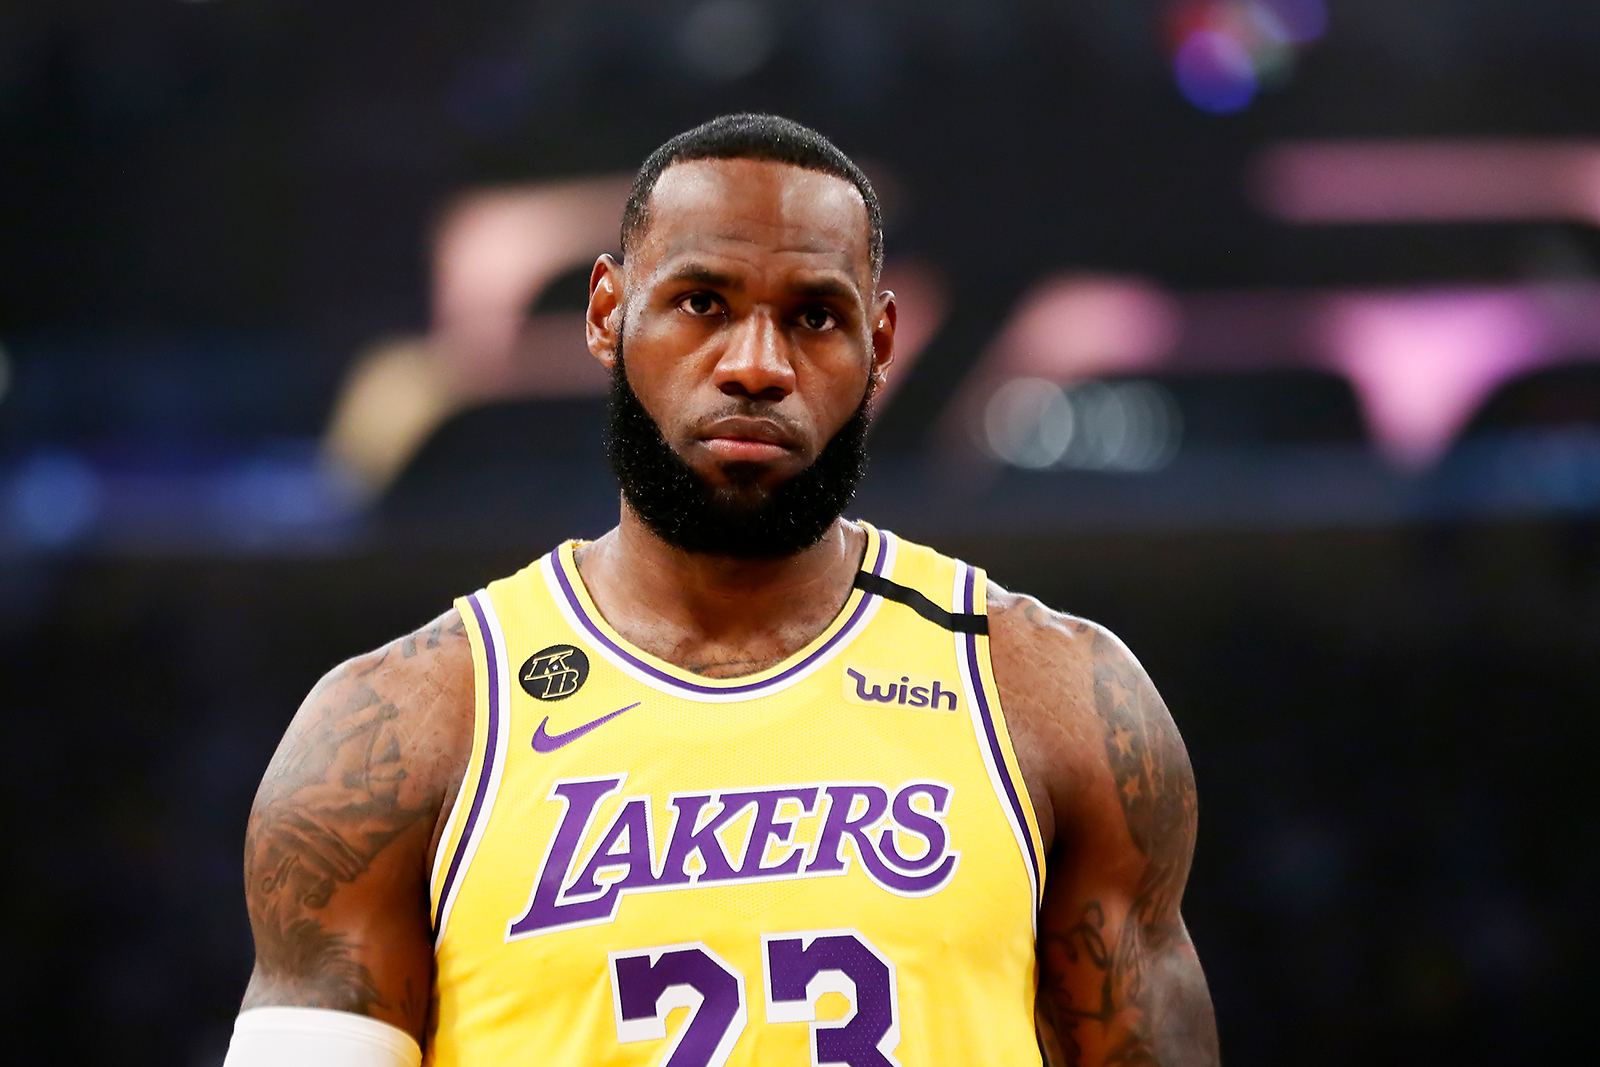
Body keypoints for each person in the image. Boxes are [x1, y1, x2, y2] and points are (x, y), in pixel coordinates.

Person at [223, 113, 1220, 1067]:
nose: (756, 364)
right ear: (609, 312)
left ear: (876, 344)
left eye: (814, 317)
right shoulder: (404, 728)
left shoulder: (1050, 694)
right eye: (702, 301)